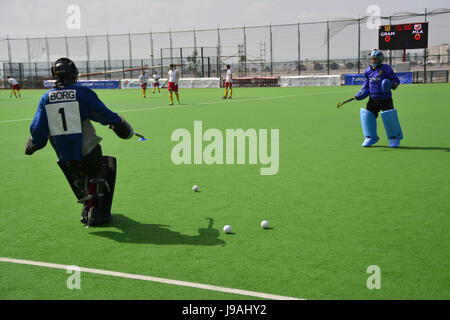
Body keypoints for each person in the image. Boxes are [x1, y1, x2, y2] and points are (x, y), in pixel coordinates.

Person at [25, 58, 134, 227]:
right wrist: (119, 123)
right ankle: (98, 212)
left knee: (79, 173)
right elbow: (103, 113)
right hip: (87, 150)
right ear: (72, 74)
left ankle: (86, 206)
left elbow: (38, 129)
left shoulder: (46, 98)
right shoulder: (81, 93)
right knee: (105, 167)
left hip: (64, 156)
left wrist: (34, 143)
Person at [355, 50, 403, 148]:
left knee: (389, 118)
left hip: (386, 99)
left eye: (375, 59)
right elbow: (366, 85)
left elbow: (395, 80)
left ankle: (393, 138)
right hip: (373, 99)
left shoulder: (386, 68)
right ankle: (370, 137)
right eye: (372, 59)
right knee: (368, 117)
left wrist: (392, 84)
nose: (373, 60)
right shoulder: (368, 70)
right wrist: (361, 93)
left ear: (380, 59)